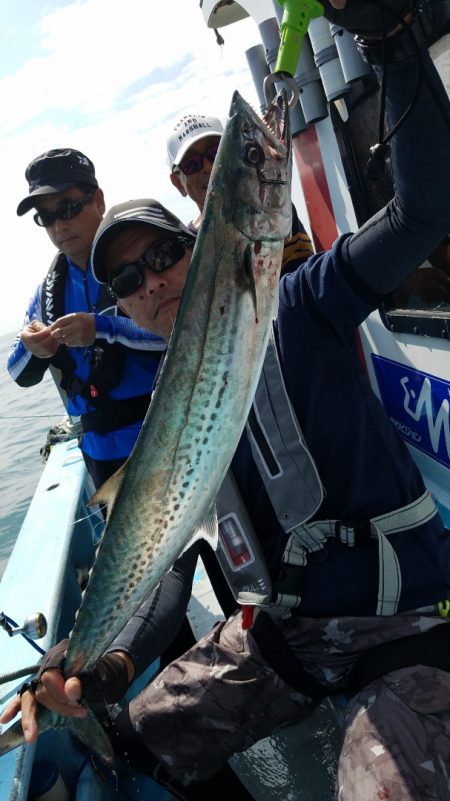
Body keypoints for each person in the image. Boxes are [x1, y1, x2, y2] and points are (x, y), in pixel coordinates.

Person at [3, 2, 450, 799]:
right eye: (129, 282)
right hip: (287, 635)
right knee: (136, 739)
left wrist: (391, 46)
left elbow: (423, 214)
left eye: (167, 255)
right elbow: (168, 561)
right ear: (124, 309)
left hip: (398, 624)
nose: (153, 281)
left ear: (203, 246)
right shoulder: (176, 416)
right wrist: (100, 665)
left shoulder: (304, 302)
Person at [7, 148, 165, 490]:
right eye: (45, 217)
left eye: (68, 208)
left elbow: (177, 333)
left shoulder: (141, 260)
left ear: (98, 200)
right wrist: (33, 345)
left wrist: (102, 329)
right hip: (100, 457)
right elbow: (15, 372)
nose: (59, 225)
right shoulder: (48, 291)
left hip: (165, 439)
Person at [167, 111, 315, 272]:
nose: (209, 166)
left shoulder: (271, 208)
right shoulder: (184, 253)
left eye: (215, 152)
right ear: (178, 183)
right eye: (192, 163)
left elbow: (304, 276)